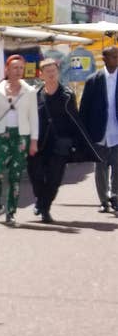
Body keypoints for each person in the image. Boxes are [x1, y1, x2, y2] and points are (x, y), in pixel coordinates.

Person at [0, 53, 38, 224]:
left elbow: (33, 117)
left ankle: (10, 211)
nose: (18, 71)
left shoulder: (29, 91)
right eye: (15, 67)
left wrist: (34, 141)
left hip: (21, 136)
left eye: (21, 68)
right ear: (7, 69)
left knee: (15, 175)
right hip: (1, 135)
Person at [28, 57, 81, 224]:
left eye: (54, 71)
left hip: (60, 143)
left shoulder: (67, 95)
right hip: (38, 141)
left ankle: (45, 208)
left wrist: (74, 142)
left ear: (58, 72)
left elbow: (74, 119)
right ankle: (40, 199)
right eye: (48, 72)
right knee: (35, 174)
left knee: (54, 178)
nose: (51, 74)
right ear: (41, 74)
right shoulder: (35, 94)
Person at [79, 44, 118, 214]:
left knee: (117, 168)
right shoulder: (93, 80)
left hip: (117, 134)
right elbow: (84, 109)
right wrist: (84, 136)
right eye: (114, 56)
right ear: (104, 59)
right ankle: (103, 201)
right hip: (98, 134)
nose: (117, 59)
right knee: (100, 169)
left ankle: (115, 198)